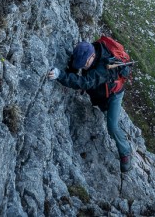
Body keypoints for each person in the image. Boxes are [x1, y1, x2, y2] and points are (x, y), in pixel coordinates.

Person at [48, 40, 132, 172]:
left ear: (92, 57)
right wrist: (71, 71)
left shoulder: (103, 69)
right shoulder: (91, 50)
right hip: (102, 92)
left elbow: (85, 83)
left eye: (85, 65)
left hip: (114, 94)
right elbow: (75, 62)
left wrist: (61, 75)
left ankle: (125, 152)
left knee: (112, 126)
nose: (83, 68)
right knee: (106, 115)